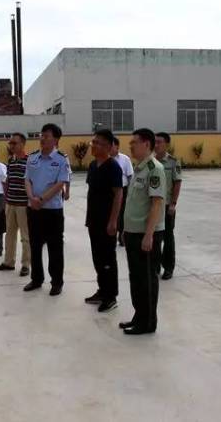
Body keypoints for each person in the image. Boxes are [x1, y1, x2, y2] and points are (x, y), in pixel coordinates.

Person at [120, 128, 166, 335]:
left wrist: (148, 235)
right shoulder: (139, 168)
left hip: (146, 235)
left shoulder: (154, 169)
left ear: (147, 144)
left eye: (134, 142)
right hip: (133, 232)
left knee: (147, 280)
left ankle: (147, 323)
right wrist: (126, 229)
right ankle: (139, 316)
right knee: (136, 279)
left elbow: (157, 204)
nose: (130, 146)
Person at [23, 123, 70, 296]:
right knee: (34, 245)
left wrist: (41, 199)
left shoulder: (61, 159)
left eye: (47, 136)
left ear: (56, 139)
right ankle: (36, 279)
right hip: (33, 209)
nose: (42, 138)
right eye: (41, 135)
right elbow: (27, 180)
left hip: (52, 211)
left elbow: (60, 184)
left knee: (54, 247)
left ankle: (56, 282)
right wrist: (31, 198)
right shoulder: (32, 158)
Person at [84, 129, 124, 312]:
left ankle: (111, 296)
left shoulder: (113, 167)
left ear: (108, 146)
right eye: (93, 141)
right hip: (93, 219)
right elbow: (91, 193)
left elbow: (118, 194)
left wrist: (113, 221)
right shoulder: (93, 166)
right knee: (97, 257)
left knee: (108, 259)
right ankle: (102, 290)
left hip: (107, 221)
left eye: (98, 142)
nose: (93, 145)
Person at [0, 133, 30, 276]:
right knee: (9, 234)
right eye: (10, 143)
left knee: (25, 236)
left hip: (23, 204)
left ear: (22, 144)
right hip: (10, 203)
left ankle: (26, 264)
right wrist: (5, 198)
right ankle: (9, 262)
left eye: (14, 143)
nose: (11, 146)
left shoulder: (29, 161)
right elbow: (8, 181)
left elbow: (31, 181)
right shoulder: (11, 160)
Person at [154, 132, 183, 280]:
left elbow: (177, 183)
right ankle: (155, 266)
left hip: (166, 206)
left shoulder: (173, 162)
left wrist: (173, 203)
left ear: (166, 144)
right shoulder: (150, 161)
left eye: (159, 142)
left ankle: (168, 267)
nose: (156, 145)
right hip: (153, 207)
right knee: (154, 238)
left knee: (168, 238)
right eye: (155, 142)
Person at [111, 137, 134, 246]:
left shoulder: (125, 159)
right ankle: (111, 236)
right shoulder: (104, 159)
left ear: (117, 146)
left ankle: (121, 236)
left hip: (123, 190)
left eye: (112, 145)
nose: (109, 148)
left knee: (122, 214)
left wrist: (130, 192)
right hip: (108, 191)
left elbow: (130, 176)